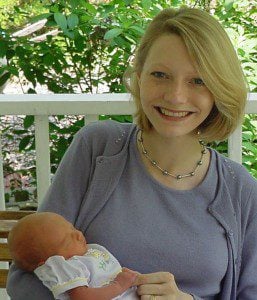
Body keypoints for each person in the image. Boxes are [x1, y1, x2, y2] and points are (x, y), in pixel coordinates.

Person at [7, 6, 257, 300]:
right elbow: (25, 278)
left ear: (219, 89)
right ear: (139, 78)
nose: (176, 96)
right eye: (160, 74)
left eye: (198, 81)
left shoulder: (240, 189)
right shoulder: (96, 148)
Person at [8, 212, 139, 300]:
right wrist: (119, 285)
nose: (78, 234)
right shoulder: (63, 266)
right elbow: (82, 297)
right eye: (66, 240)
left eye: (72, 228)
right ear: (49, 263)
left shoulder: (85, 254)